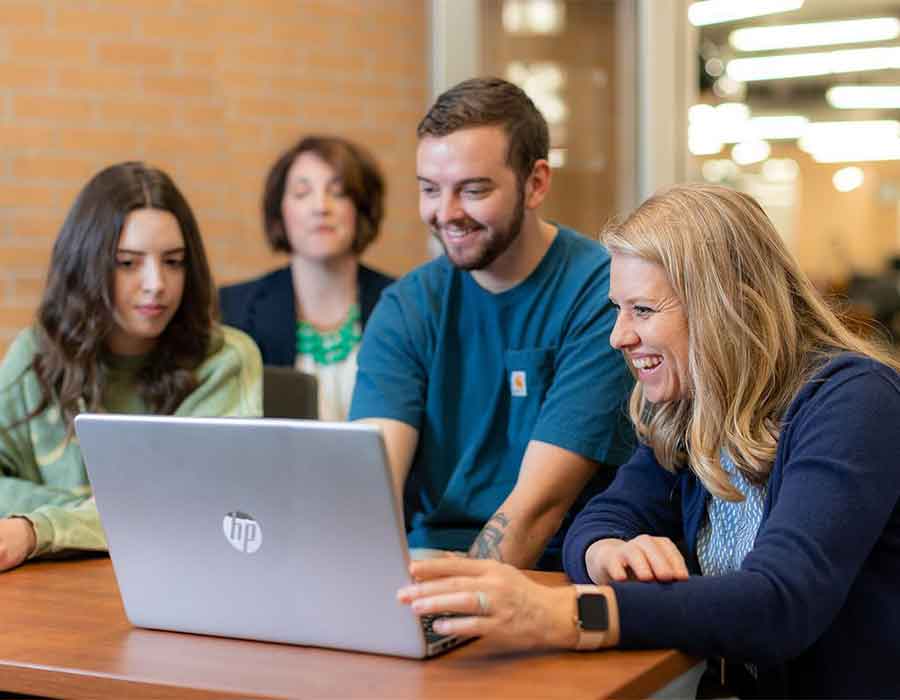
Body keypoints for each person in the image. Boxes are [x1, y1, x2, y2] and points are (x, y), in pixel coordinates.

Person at [397, 183, 900, 699]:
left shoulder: (856, 402)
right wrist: (608, 551)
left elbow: (780, 605)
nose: (618, 336)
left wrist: (566, 613)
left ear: (726, 305)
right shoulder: (689, 404)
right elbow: (603, 516)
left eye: (642, 310)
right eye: (618, 308)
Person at [350, 77, 634, 571]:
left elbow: (536, 510)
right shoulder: (407, 306)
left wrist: (465, 598)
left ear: (536, 183)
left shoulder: (602, 295)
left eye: (474, 190)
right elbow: (368, 488)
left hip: (553, 568)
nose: (446, 213)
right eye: (429, 190)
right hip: (425, 562)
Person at [0, 162, 262, 573]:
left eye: (173, 262)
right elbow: (142, 513)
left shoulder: (225, 358)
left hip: (176, 583)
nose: (156, 283)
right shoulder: (36, 351)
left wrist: (38, 529)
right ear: (84, 263)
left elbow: (186, 509)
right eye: (127, 263)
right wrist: (90, 515)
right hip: (52, 588)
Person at [219, 135, 395, 421]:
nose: (321, 207)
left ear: (361, 208)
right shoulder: (234, 309)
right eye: (302, 193)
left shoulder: (404, 304)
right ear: (280, 211)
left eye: (338, 192)